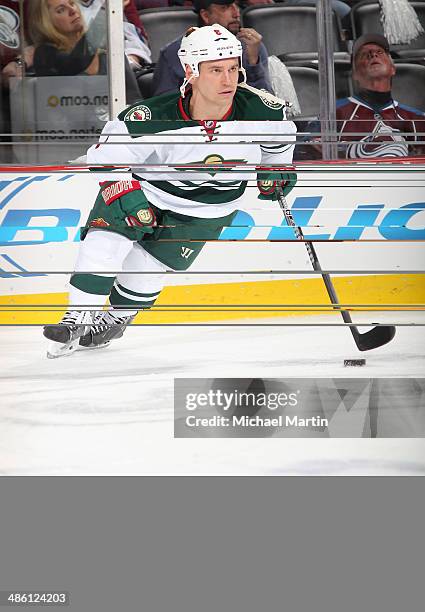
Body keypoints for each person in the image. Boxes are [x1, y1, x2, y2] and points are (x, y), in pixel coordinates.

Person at [42, 24, 297, 358]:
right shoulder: (150, 117)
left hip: (206, 210)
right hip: (148, 190)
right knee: (106, 240)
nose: (228, 80)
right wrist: (126, 195)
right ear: (191, 71)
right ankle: (77, 314)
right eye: (216, 70)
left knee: (145, 271)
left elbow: (279, 147)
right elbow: (106, 160)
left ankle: (117, 317)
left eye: (233, 68)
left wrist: (277, 170)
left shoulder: (265, 112)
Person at [300, 33, 425, 160]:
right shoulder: (334, 113)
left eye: (380, 52)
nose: (373, 55)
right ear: (355, 74)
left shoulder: (415, 118)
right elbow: (306, 148)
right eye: (364, 54)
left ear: (392, 68)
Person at [152, 0, 273, 96]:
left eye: (236, 5)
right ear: (205, 15)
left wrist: (253, 63)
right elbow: (165, 107)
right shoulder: (175, 53)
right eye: (224, 8)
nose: (236, 13)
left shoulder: (251, 46)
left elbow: (266, 103)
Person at [29, 0, 107, 77]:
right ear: (46, 21)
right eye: (61, 10)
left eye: (72, 4)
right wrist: (106, 11)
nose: (72, 11)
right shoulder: (44, 54)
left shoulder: (103, 53)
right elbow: (76, 62)